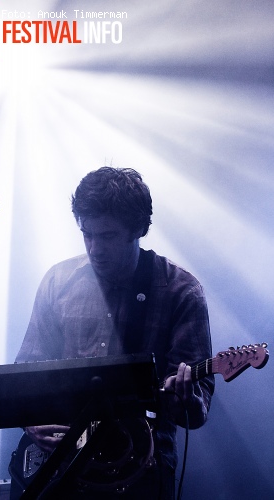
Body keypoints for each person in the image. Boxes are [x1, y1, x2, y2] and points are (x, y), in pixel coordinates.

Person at [11, 167, 214, 499]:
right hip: (63, 468)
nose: (95, 248)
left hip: (141, 472)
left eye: (107, 236)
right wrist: (31, 422)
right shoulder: (58, 282)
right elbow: (27, 373)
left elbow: (197, 409)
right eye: (86, 234)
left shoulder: (181, 291)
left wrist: (186, 399)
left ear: (137, 230)